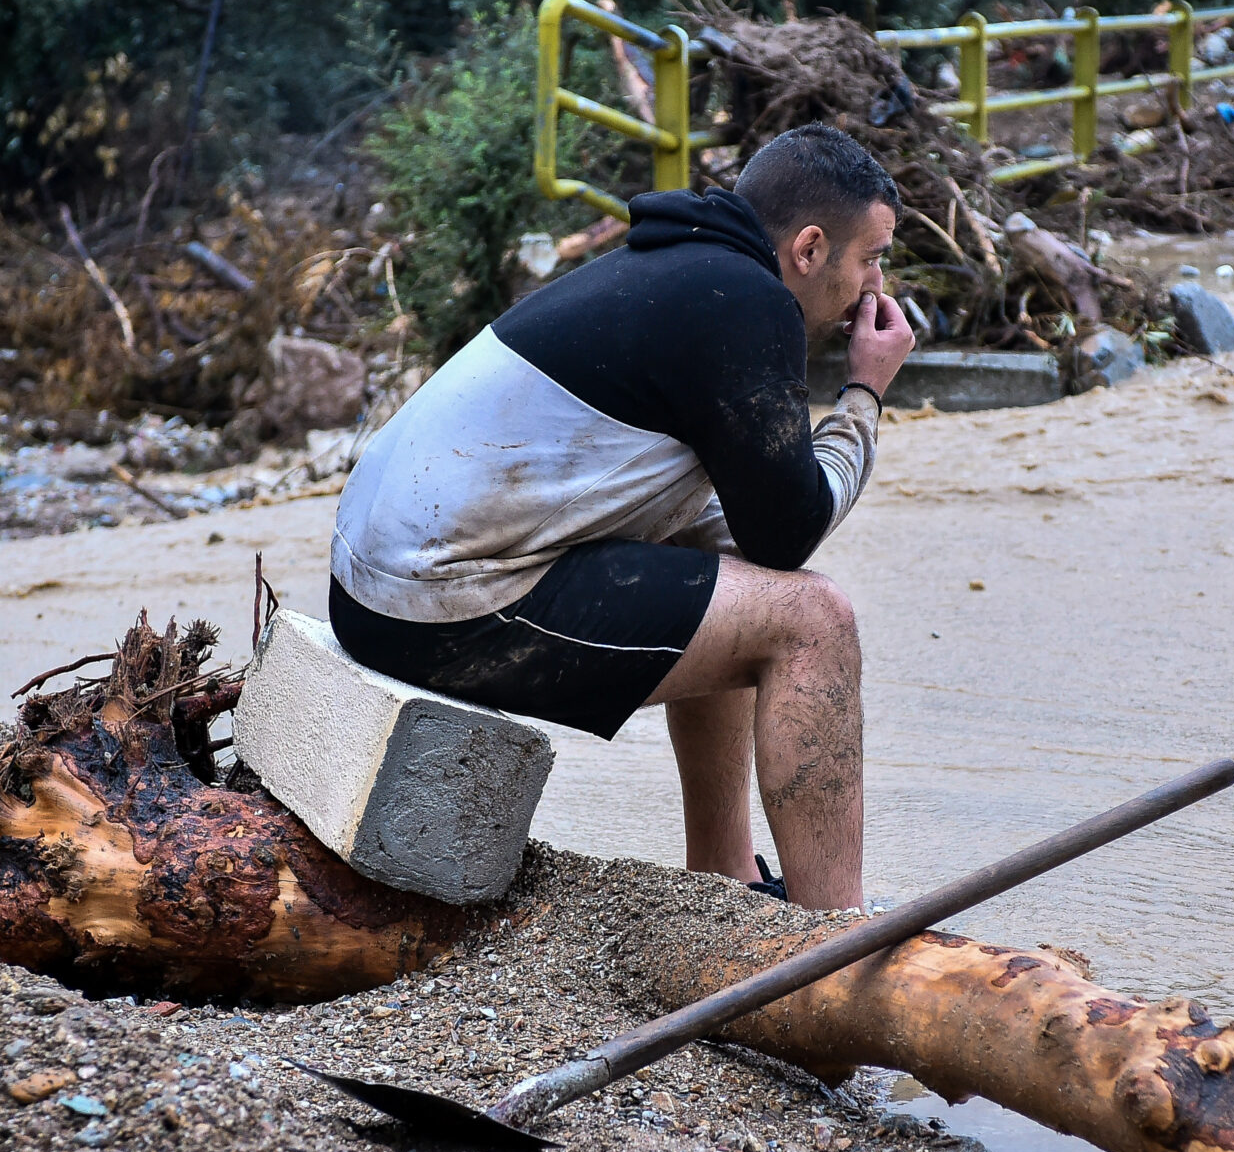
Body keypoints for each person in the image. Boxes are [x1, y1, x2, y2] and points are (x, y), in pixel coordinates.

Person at [327, 124, 913, 909]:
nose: (876, 288)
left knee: (730, 569)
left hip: (376, 586)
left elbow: (742, 533)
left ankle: (724, 879)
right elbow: (791, 529)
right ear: (809, 249)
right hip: (440, 605)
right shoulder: (746, 303)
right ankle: (836, 940)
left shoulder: (680, 268)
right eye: (871, 258)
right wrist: (865, 394)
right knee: (815, 622)